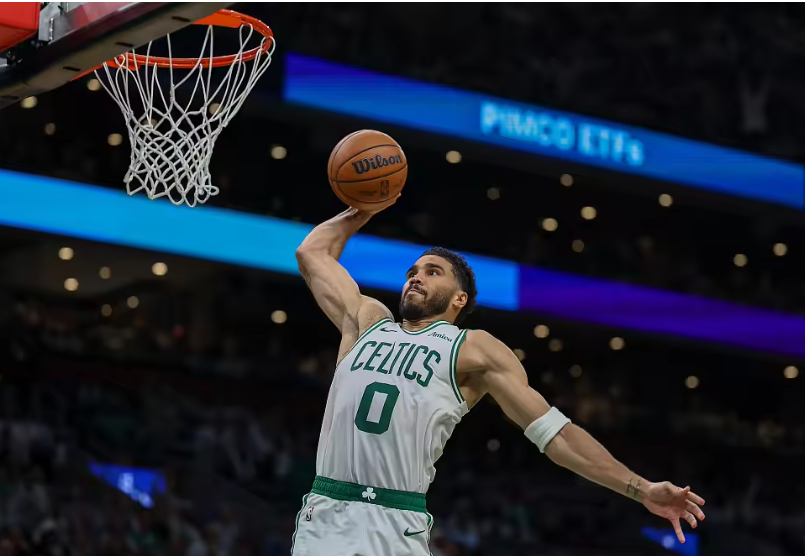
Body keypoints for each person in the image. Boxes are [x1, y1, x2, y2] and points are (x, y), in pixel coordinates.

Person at [291, 203, 705, 556]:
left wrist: (641, 489)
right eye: (413, 271)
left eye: (433, 272)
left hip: (395, 519)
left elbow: (556, 435)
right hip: (325, 510)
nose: (415, 277)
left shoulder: (473, 348)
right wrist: (362, 209)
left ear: (459, 299)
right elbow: (311, 253)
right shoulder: (366, 322)